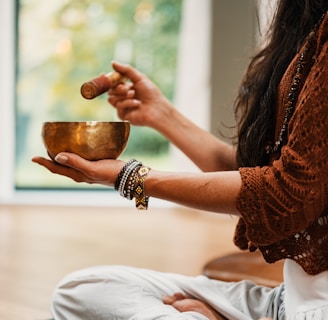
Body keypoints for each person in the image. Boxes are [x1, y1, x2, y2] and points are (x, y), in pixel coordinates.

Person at [32, 0, 328, 319]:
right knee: (82, 290)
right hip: (284, 304)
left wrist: (129, 177)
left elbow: (286, 192)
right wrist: (162, 115)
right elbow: (253, 176)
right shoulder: (309, 30)